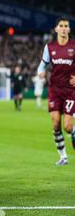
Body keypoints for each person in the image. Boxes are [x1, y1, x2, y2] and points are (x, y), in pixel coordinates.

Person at [37, 17, 75, 166]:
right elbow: (42, 65)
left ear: (69, 30)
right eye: (61, 25)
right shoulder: (50, 47)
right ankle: (63, 157)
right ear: (56, 29)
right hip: (54, 90)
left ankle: (72, 132)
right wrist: (40, 72)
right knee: (55, 123)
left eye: (67, 26)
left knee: (67, 126)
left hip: (71, 91)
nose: (64, 28)